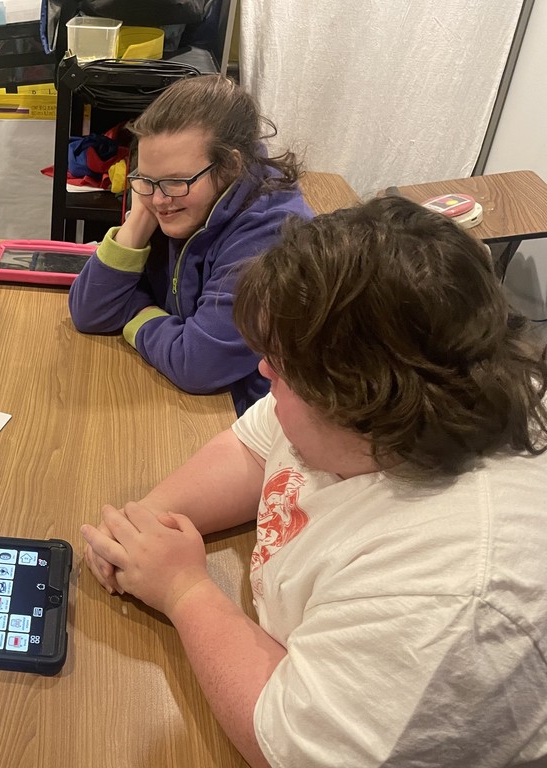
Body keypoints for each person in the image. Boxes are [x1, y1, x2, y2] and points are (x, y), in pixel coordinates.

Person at [81, 197, 547, 767]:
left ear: (359, 397)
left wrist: (183, 590)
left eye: (279, 363)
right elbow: (254, 447)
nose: (263, 372)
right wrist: (143, 529)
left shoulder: (449, 591)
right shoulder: (375, 403)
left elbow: (288, 741)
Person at [68, 74, 312, 415]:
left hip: (254, 418)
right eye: (147, 179)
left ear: (230, 166)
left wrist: (135, 314)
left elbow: (198, 363)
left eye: (175, 182)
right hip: (188, 400)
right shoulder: (165, 198)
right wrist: (139, 218)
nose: (159, 198)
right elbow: (90, 311)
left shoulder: (273, 232)